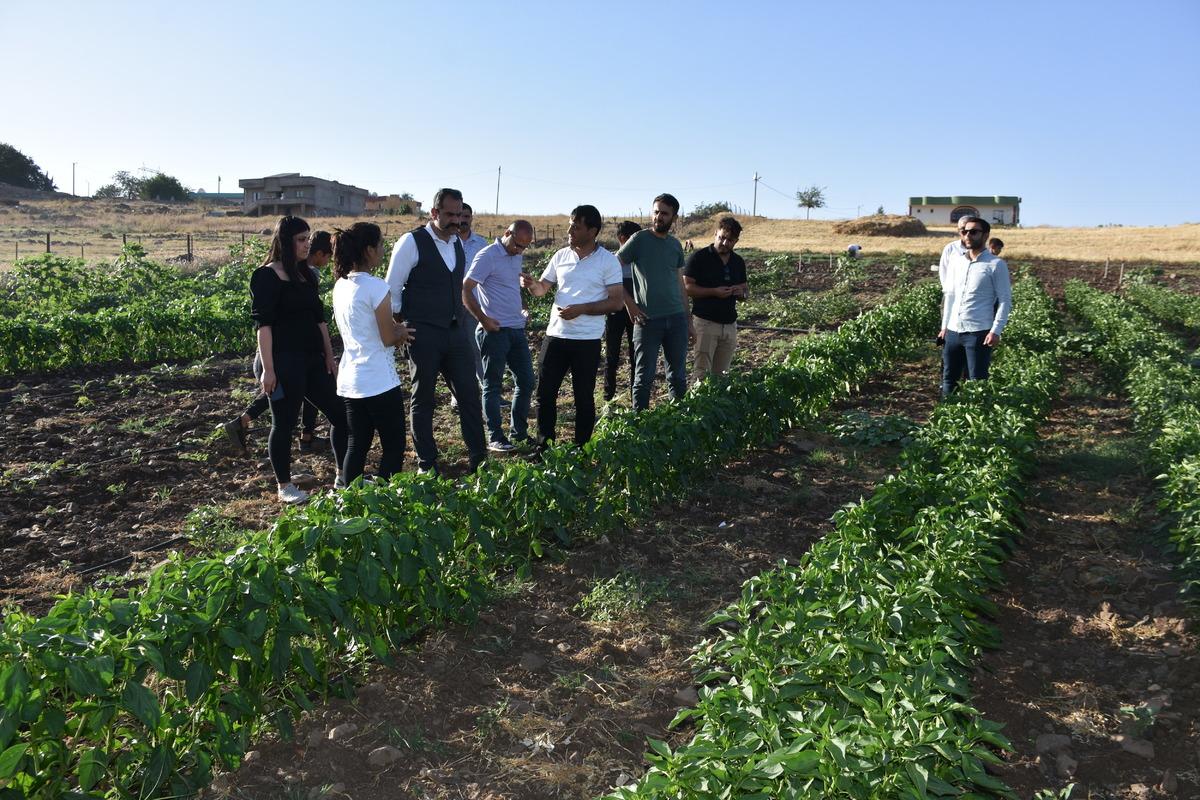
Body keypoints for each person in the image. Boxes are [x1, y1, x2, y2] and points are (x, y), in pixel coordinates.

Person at [384, 188, 487, 474]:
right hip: (423, 333)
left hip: (455, 332)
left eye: (460, 215)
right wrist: (399, 326)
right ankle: (426, 464)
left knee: (468, 393)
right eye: (450, 215)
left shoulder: (456, 244)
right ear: (434, 213)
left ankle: (479, 459)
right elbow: (391, 289)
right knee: (423, 398)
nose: (457, 221)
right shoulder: (412, 242)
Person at [250, 216, 348, 504]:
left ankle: (344, 476)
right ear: (286, 242)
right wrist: (268, 370)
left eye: (308, 238)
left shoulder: (307, 275)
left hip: (313, 359)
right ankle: (284, 486)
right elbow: (264, 327)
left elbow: (319, 321)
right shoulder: (266, 276)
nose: (307, 244)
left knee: (340, 415)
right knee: (284, 423)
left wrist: (330, 356)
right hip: (284, 360)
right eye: (301, 240)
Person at [221, 231, 333, 453]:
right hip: (278, 355)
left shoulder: (301, 274)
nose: (328, 262)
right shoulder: (305, 275)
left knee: (298, 394)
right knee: (288, 406)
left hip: (279, 355)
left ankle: (305, 435)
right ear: (319, 253)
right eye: (328, 256)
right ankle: (300, 437)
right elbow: (267, 324)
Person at [522, 205, 623, 446]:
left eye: (576, 227)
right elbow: (542, 289)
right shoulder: (561, 256)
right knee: (545, 395)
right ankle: (544, 447)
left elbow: (616, 302)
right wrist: (530, 284)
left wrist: (582, 309)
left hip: (586, 340)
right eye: (570, 225)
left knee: (583, 399)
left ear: (592, 231)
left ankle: (581, 448)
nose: (569, 231)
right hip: (555, 335)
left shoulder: (607, 262)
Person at [331, 223, 413, 485]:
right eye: (380, 245)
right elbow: (387, 337)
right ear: (368, 250)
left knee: (357, 443)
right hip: (379, 380)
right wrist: (402, 332)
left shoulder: (341, 285)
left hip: (350, 379)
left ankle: (351, 497)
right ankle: (384, 499)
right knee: (393, 445)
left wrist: (392, 329)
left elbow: (362, 328)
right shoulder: (377, 287)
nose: (382, 250)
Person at [463, 220, 536, 451]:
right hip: (494, 331)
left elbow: (511, 287)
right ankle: (495, 437)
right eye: (517, 245)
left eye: (525, 247)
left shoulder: (516, 256)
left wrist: (522, 306)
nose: (520, 250)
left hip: (516, 329)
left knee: (526, 381)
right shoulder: (487, 255)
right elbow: (466, 288)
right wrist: (483, 320)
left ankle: (519, 433)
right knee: (492, 385)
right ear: (507, 234)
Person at [617, 193, 694, 411]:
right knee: (643, 379)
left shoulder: (675, 245)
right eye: (656, 212)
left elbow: (680, 284)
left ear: (674, 217)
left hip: (676, 319)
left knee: (678, 377)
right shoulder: (639, 240)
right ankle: (639, 426)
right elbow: (610, 269)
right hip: (647, 320)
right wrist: (629, 303)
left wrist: (688, 320)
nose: (658, 217)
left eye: (664, 213)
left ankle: (678, 420)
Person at [939, 216, 1012, 397]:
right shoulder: (957, 262)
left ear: (985, 235)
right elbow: (950, 295)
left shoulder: (996, 265)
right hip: (954, 331)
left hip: (978, 332)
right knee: (949, 379)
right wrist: (944, 327)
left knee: (977, 381)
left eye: (974, 232)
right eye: (964, 232)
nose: (968, 235)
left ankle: (976, 419)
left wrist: (995, 331)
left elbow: (1005, 300)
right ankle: (948, 416)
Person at [684, 217, 748, 382]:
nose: (725, 243)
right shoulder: (699, 258)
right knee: (701, 373)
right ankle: (698, 406)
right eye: (722, 238)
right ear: (715, 234)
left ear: (736, 241)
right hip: (705, 323)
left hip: (729, 326)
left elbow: (745, 291)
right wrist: (714, 292)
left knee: (722, 375)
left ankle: (716, 406)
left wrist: (741, 293)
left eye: (730, 240)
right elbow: (687, 288)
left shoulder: (738, 262)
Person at [603, 221, 641, 401]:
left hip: (637, 311)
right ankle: (608, 396)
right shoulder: (611, 261)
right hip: (615, 311)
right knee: (612, 354)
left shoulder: (639, 261)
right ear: (622, 239)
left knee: (636, 353)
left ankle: (636, 394)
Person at [456, 203, 489, 391]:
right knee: (455, 350)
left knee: (476, 348)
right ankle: (457, 393)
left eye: (467, 216)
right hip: (451, 304)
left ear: (471, 218)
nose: (463, 220)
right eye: (460, 216)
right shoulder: (448, 242)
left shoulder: (481, 244)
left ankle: (486, 389)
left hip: (474, 304)